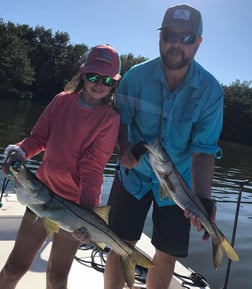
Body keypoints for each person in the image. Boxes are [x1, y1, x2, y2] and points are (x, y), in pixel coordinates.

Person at [104, 4, 223, 289]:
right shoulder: (135, 77)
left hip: (178, 185)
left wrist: (202, 199)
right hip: (133, 177)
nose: (176, 44)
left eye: (187, 38)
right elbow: (119, 121)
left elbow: (204, 150)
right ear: (160, 37)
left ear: (198, 42)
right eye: (170, 35)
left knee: (167, 254)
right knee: (121, 245)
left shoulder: (210, 91)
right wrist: (124, 149)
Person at [0, 44, 121, 289]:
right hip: (39, 196)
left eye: (107, 79)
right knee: (15, 266)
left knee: (57, 276)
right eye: (93, 76)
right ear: (83, 73)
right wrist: (21, 150)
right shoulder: (61, 101)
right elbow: (39, 137)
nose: (99, 84)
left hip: (74, 206)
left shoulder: (110, 119)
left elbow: (93, 167)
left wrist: (87, 213)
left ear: (114, 83)